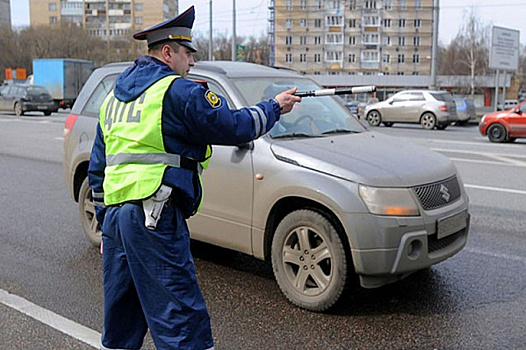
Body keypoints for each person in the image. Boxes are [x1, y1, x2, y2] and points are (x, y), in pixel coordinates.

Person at [87, 5, 300, 350]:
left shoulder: (113, 99)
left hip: (115, 222)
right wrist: (274, 107)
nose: (192, 62)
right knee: (181, 320)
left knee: (121, 321)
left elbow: (99, 170)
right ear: (168, 52)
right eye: (188, 53)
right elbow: (235, 126)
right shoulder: (178, 92)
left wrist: (104, 226)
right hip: (154, 217)